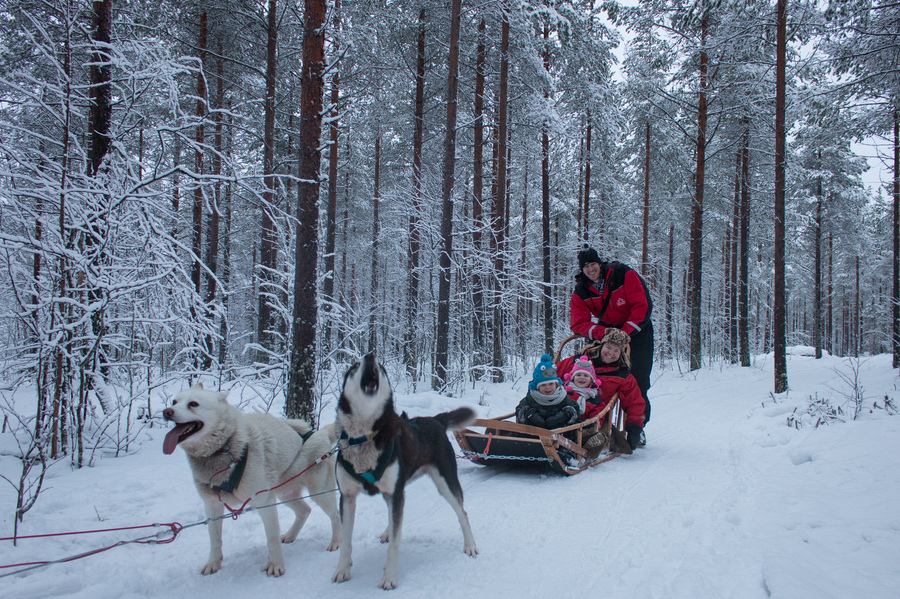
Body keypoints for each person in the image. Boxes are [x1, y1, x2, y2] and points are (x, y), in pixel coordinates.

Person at [570, 244, 654, 428]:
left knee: (637, 382)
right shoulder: (582, 290)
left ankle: (636, 426)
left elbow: (642, 306)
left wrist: (624, 334)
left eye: (593, 264)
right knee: (597, 382)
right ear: (582, 270)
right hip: (606, 336)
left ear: (600, 264)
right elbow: (577, 323)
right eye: (586, 267)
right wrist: (605, 333)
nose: (590, 269)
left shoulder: (623, 275)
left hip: (638, 333)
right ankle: (597, 422)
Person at [516, 354, 581, 430]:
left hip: (560, 433)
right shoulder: (532, 398)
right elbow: (520, 408)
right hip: (534, 431)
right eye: (543, 385)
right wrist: (529, 414)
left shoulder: (561, 397)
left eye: (551, 384)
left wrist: (564, 415)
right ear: (537, 387)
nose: (547, 387)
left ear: (556, 384)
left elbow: (575, 408)